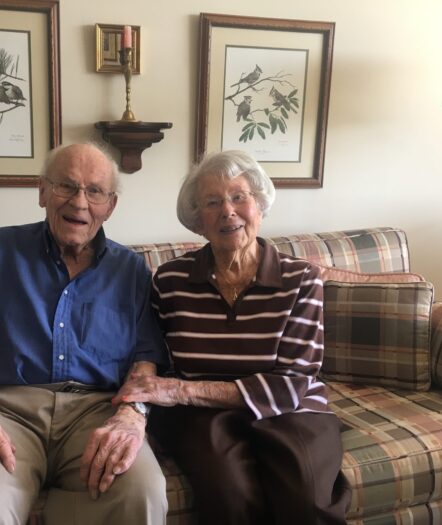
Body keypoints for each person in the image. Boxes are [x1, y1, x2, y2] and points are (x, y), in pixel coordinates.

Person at [0, 143, 169, 525]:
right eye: (66, 186)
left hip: (96, 413)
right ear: (42, 192)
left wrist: (132, 415)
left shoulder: (131, 270)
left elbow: (146, 356)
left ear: (110, 205)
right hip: (2, 410)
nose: (79, 202)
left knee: (142, 493)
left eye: (94, 191)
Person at [115, 150, 351, 524]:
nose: (228, 210)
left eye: (239, 196)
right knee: (228, 494)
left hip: (288, 409)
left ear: (259, 205)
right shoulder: (171, 280)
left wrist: (181, 391)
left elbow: (293, 383)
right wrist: (142, 400)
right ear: (198, 220)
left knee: (306, 498)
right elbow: (150, 352)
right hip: (200, 417)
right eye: (213, 202)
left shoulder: (301, 279)